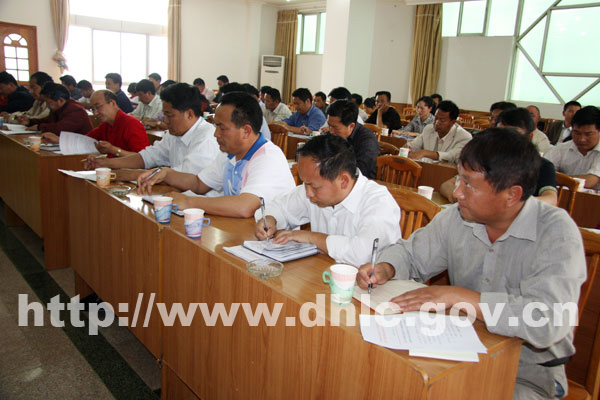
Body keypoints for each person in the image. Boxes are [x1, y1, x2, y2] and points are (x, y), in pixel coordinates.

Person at [357, 128, 586, 400]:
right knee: (382, 377)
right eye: (458, 179)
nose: (457, 193)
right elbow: (411, 254)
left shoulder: (555, 231)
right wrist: (387, 267)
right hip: (459, 353)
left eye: (469, 185)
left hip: (526, 375)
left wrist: (461, 297)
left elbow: (549, 319)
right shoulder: (457, 217)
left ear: (512, 195)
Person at [136, 91, 295, 217]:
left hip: (271, 241)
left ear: (246, 131)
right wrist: (166, 173)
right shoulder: (230, 153)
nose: (215, 134)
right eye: (215, 126)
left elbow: (244, 206)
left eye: (222, 128)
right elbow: (199, 183)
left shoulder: (267, 157)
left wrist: (189, 201)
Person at [255, 134, 401, 267]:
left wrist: (310, 237)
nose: (308, 193)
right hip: (323, 275)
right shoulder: (313, 191)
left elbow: (363, 254)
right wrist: (270, 219)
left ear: (343, 181)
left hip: (366, 285)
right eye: (305, 184)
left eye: (314, 186)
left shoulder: (378, 203)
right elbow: (279, 206)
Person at [85, 83, 220, 180]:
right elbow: (147, 157)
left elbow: (184, 177)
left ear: (189, 114)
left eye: (169, 115)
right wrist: (106, 163)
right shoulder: (174, 133)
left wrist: (126, 174)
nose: (165, 121)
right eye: (164, 115)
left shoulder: (206, 138)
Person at [441, 110, 558, 206]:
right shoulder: (487, 160)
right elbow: (447, 185)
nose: (504, 140)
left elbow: (551, 200)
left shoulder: (542, 165)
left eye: (513, 134)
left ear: (529, 137)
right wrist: (460, 196)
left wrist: (505, 204)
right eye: (500, 133)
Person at [43, 90, 148, 157]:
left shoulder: (131, 124)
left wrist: (114, 150)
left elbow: (143, 158)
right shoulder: (106, 125)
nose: (96, 113)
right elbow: (84, 140)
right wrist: (59, 140)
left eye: (98, 107)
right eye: (93, 109)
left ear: (112, 103)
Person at [545, 105, 600, 189]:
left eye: (588, 134)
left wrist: (555, 178)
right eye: (577, 133)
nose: (582, 139)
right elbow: (541, 171)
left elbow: (590, 181)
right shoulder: (562, 148)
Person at [326, 100, 379, 179]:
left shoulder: (367, 141)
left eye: (335, 127)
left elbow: (361, 171)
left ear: (351, 126)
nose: (331, 131)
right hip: (335, 177)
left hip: (361, 181)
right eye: (329, 125)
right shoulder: (333, 134)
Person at [23, 82, 92, 135]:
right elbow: (47, 120)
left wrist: (39, 127)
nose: (47, 105)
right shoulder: (58, 109)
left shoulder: (76, 111)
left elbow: (60, 129)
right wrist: (30, 122)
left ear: (61, 100)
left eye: (48, 102)